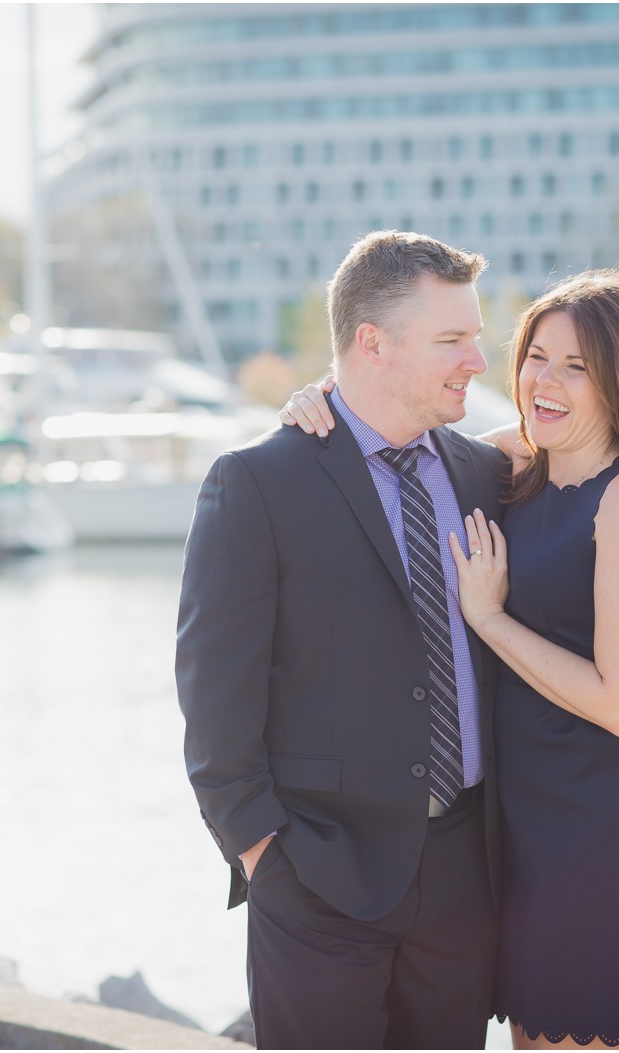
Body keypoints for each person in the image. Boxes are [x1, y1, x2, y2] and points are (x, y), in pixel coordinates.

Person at [280, 269, 619, 1050]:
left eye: (576, 367)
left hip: (607, 812)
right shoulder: (520, 466)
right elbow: (394, 429)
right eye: (536, 356)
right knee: (530, 1031)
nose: (544, 381)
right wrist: (324, 396)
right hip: (525, 814)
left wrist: (487, 616)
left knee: (572, 1032)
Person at [176, 230, 510, 1049]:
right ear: (373, 344)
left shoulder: (486, 477)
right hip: (317, 878)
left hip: (463, 876)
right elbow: (215, 695)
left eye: (475, 337)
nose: (476, 359)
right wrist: (264, 855)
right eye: (452, 340)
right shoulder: (258, 483)